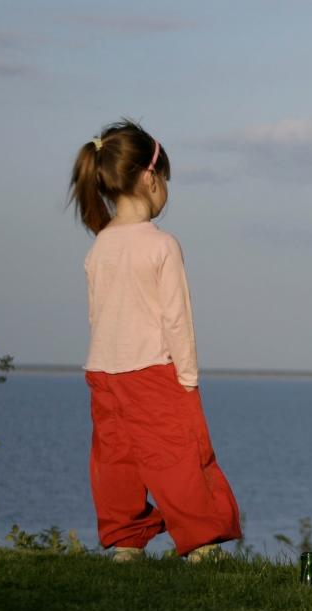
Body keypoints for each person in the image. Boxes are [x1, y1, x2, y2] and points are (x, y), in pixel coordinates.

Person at [70, 119, 242, 562]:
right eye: (165, 178)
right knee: (180, 455)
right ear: (149, 178)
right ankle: (201, 543)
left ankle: (125, 542)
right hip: (153, 369)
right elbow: (177, 319)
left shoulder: (100, 246)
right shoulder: (160, 245)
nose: (166, 188)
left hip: (103, 370)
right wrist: (187, 378)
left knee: (116, 459)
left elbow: (96, 314)